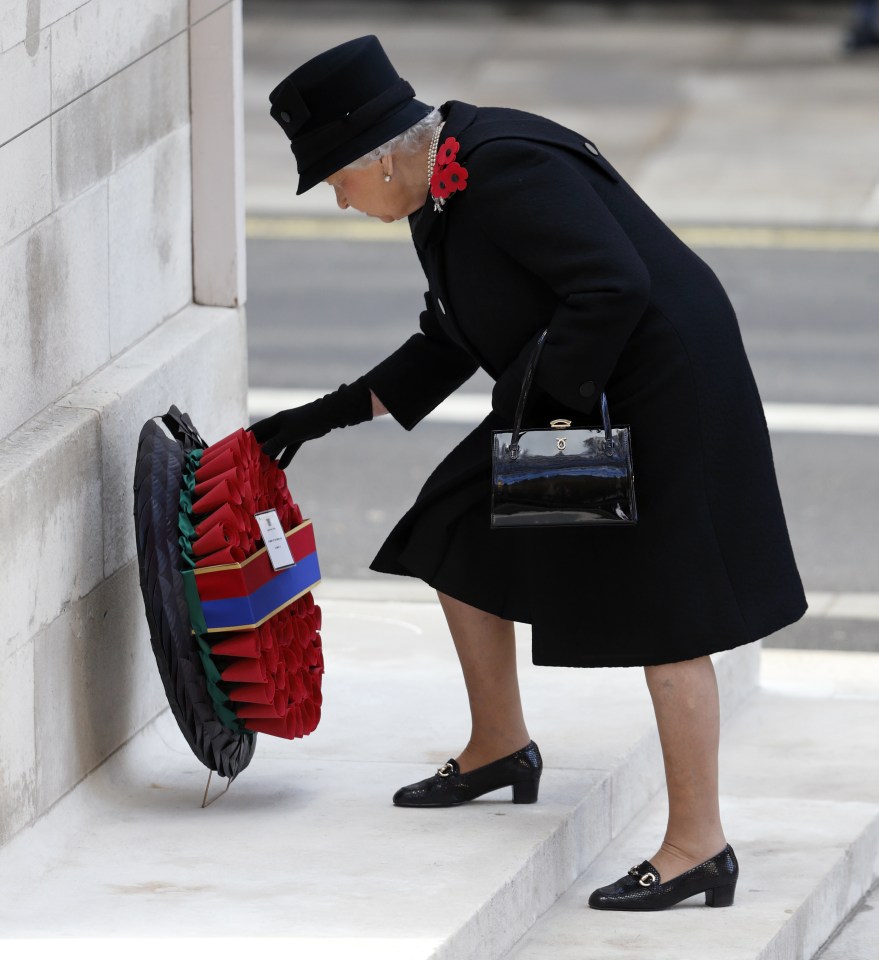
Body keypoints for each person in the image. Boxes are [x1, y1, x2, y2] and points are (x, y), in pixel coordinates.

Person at [252, 36, 807, 911]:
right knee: (451, 524)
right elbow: (451, 338)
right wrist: (318, 417)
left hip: (658, 390)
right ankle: (498, 746)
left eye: (335, 179)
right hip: (581, 386)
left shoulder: (501, 169)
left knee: (665, 611)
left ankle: (698, 845)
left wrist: (549, 418)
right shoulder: (438, 188)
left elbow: (612, 287)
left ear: (382, 159)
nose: (337, 198)